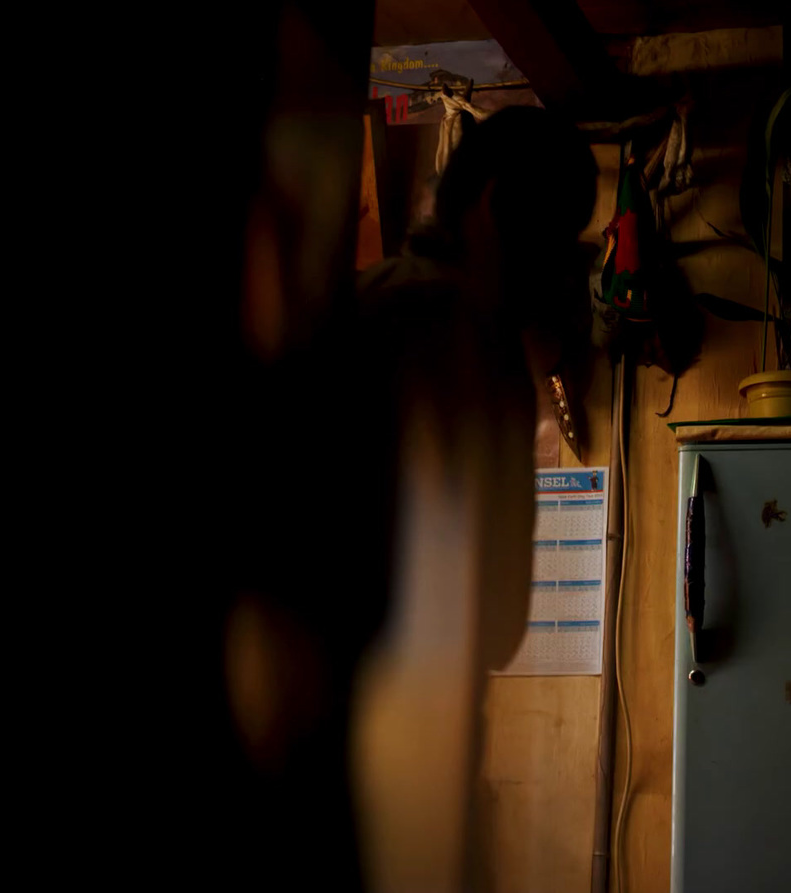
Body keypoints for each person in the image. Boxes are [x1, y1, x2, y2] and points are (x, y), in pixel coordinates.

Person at [229, 105, 598, 893]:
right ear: (496, 207)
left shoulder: (389, 306)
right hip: (366, 782)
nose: (562, 266)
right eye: (556, 233)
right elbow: (483, 619)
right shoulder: (443, 329)